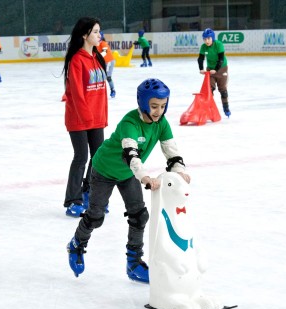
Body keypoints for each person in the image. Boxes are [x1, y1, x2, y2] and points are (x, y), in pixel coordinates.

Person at [66, 78, 191, 283]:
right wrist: (145, 177)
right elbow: (131, 155)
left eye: (162, 105)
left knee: (139, 216)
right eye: (154, 106)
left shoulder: (162, 123)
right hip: (104, 170)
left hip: (127, 175)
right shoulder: (130, 123)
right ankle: (76, 244)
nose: (159, 111)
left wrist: (179, 170)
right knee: (96, 216)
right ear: (142, 103)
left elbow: (171, 149)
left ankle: (134, 263)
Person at [62, 17, 108, 218]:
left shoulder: (97, 57)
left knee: (98, 158)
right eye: (96, 32)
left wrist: (102, 115)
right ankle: (73, 200)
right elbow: (78, 94)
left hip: (96, 118)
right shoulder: (77, 60)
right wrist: (88, 117)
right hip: (79, 119)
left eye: (99, 31)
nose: (100, 35)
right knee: (81, 157)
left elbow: (101, 91)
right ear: (84, 35)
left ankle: (89, 193)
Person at [198, 28, 231, 117]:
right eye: (205, 39)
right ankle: (209, 108)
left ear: (212, 38)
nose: (206, 41)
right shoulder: (203, 47)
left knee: (223, 90)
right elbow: (200, 58)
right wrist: (201, 68)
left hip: (222, 69)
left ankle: (226, 107)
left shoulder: (218, 45)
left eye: (208, 38)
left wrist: (216, 69)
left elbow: (221, 59)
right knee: (209, 90)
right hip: (210, 71)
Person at [97, 32, 116, 98]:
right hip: (103, 62)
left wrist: (97, 58)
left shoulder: (103, 43)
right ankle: (100, 92)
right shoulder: (96, 44)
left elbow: (104, 52)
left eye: (99, 36)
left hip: (109, 61)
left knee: (108, 77)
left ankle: (113, 90)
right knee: (100, 77)